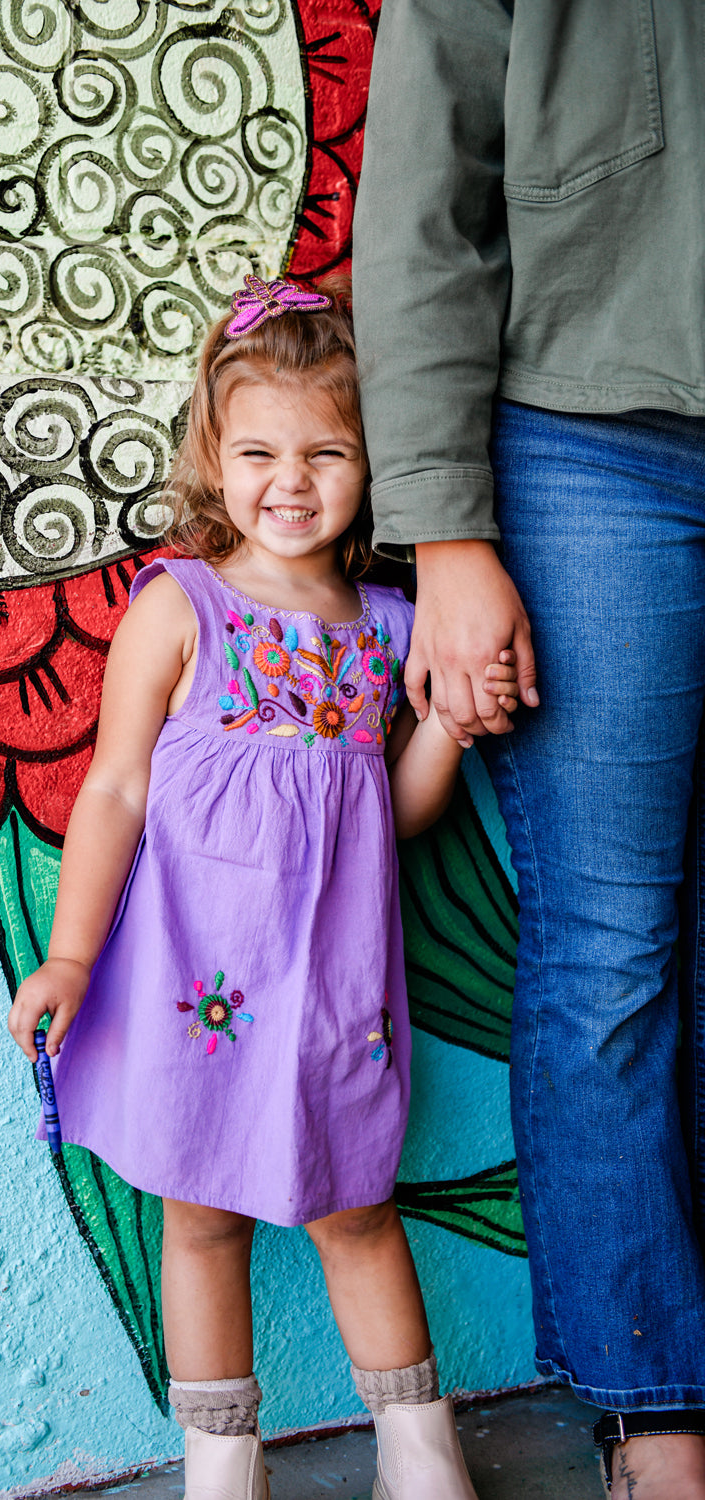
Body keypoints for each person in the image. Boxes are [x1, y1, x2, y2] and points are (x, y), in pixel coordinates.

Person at [8, 275, 518, 1500]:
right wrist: (73, 956)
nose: (289, 480)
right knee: (200, 1219)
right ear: (214, 456)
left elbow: (393, 815)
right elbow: (117, 790)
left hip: (334, 993)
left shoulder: (388, 628)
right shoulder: (180, 608)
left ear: (373, 464)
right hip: (193, 990)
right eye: (258, 452)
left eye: (327, 452)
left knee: (354, 1210)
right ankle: (222, 1466)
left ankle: (418, 1448)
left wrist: (446, 718)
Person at [352, 3, 705, 1496]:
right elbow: (424, 200)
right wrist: (446, 530)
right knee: (612, 947)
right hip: (583, 445)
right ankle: (659, 1412)